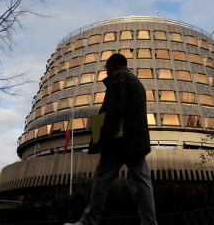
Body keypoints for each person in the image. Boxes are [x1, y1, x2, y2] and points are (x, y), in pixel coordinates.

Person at [65, 53, 157, 225]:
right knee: (142, 183)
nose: (106, 71)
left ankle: (88, 222)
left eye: (106, 67)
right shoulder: (136, 82)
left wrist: (103, 137)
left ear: (113, 64)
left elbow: (114, 110)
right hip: (136, 141)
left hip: (119, 141)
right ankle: (150, 222)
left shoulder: (119, 77)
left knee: (101, 179)